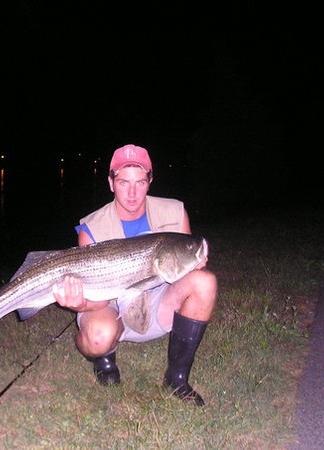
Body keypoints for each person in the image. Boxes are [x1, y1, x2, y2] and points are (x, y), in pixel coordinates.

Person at [52, 144, 217, 406]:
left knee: (205, 282)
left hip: (159, 302)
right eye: (123, 182)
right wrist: (78, 303)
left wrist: (195, 265)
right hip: (110, 305)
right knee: (97, 338)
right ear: (110, 182)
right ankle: (104, 358)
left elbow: (184, 270)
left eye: (140, 182)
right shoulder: (91, 228)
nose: (132, 192)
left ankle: (177, 378)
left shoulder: (174, 212)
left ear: (150, 181)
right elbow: (97, 300)